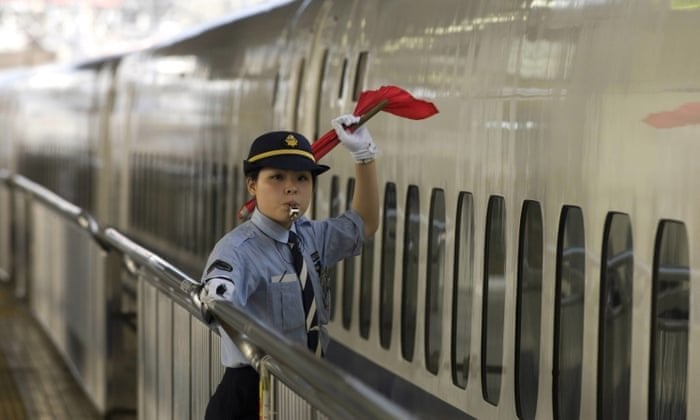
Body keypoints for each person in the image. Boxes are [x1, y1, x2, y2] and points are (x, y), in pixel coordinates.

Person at [198, 114, 379, 419]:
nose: (291, 189)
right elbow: (218, 294)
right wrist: (216, 295)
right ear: (252, 185)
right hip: (252, 395)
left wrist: (364, 157)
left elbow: (365, 223)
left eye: (302, 179)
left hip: (301, 388)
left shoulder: (309, 238)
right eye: (277, 178)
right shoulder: (238, 249)